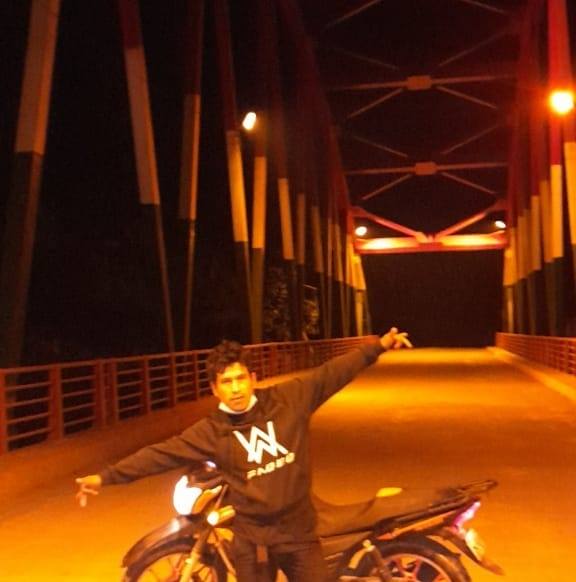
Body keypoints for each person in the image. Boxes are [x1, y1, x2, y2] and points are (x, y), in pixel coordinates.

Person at [76, 327, 411, 581]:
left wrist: (378, 346)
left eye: (240, 379)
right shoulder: (211, 431)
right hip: (253, 543)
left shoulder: (288, 400)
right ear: (214, 388)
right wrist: (105, 477)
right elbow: (160, 454)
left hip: (298, 534)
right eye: (226, 382)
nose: (235, 388)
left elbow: (333, 373)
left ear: (252, 378)